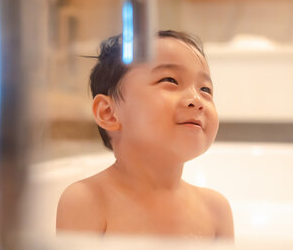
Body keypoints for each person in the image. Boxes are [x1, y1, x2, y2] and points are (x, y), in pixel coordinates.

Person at [56, 30, 234, 239]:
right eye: (170, 80)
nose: (197, 99)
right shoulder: (88, 201)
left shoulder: (216, 211)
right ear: (108, 113)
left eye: (205, 89)